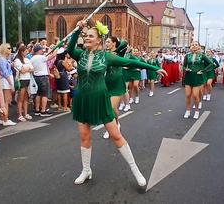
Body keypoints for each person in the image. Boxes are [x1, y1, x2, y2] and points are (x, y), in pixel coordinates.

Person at [67, 20, 167, 187]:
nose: (87, 38)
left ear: (99, 40)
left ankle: (136, 170)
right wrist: (78, 30)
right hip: (82, 99)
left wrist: (152, 68)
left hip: (100, 99)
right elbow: (70, 49)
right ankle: (86, 170)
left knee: (116, 135)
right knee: (84, 136)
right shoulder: (80, 54)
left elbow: (131, 63)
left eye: (90, 36)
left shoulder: (106, 56)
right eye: (86, 36)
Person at [103, 37, 127, 139]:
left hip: (117, 83)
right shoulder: (105, 54)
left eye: (108, 42)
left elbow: (125, 43)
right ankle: (113, 125)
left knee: (112, 108)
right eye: (106, 42)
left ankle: (114, 126)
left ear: (114, 43)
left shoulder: (119, 54)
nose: (106, 43)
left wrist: (116, 50)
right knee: (108, 109)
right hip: (106, 83)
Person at [183, 41, 214, 119]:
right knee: (187, 95)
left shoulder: (202, 56)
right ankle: (188, 110)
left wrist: (203, 70)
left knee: (195, 95)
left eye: (196, 45)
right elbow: (184, 66)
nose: (194, 46)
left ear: (199, 47)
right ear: (190, 46)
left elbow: (211, 64)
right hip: (188, 77)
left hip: (197, 78)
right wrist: (185, 68)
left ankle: (197, 111)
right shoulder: (187, 56)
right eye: (192, 44)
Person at [30, 45, 55, 116]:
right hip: (43, 77)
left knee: (38, 94)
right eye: (41, 50)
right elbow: (52, 56)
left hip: (36, 77)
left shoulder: (32, 59)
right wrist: (55, 49)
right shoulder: (41, 57)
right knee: (44, 94)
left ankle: (37, 109)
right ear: (39, 50)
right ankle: (43, 110)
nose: (42, 51)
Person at [0, 43, 17, 126]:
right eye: (8, 48)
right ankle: (5, 119)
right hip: (5, 80)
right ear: (4, 49)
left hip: (6, 80)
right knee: (6, 101)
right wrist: (11, 83)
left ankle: (3, 118)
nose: (10, 49)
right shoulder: (2, 59)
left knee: (5, 100)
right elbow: (5, 73)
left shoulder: (4, 59)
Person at [14, 45, 34, 122]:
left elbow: (32, 69)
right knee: (20, 98)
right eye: (25, 51)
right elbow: (22, 70)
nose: (27, 52)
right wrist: (27, 68)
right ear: (22, 52)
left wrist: (26, 69)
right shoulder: (17, 60)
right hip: (21, 80)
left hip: (27, 79)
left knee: (26, 98)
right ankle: (20, 114)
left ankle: (25, 113)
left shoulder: (26, 59)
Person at [55, 48, 72, 112]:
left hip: (58, 76)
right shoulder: (63, 61)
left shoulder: (56, 61)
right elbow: (69, 69)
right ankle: (65, 107)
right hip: (63, 77)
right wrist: (70, 63)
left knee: (59, 91)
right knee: (65, 92)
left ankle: (59, 106)